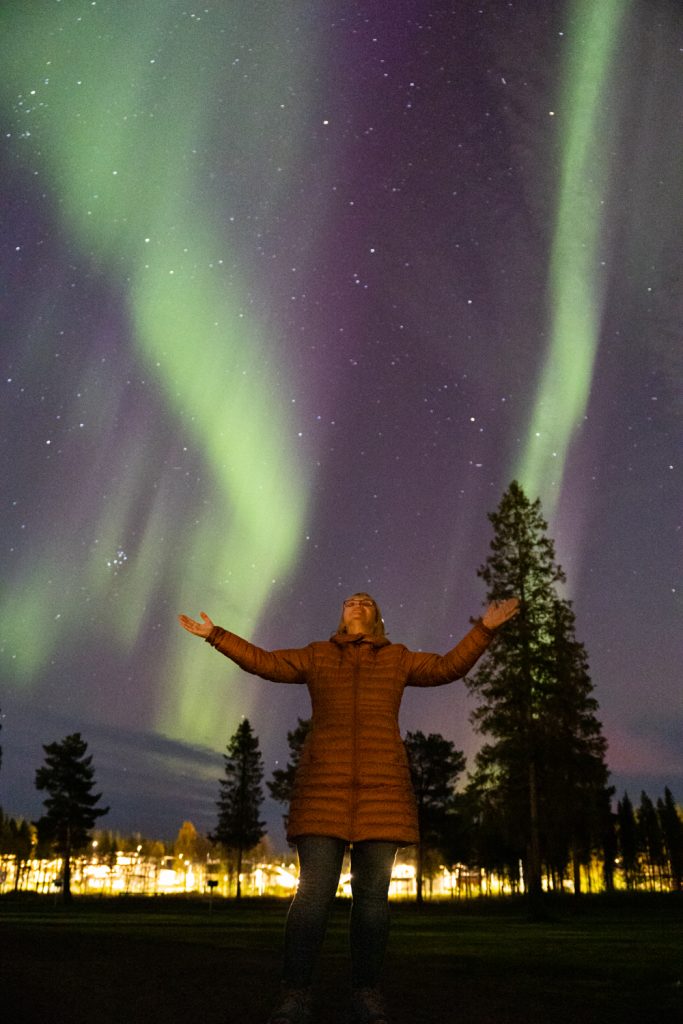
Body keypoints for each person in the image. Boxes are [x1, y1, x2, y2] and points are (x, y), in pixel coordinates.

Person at [178, 592, 518, 1024]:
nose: (356, 604)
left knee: (373, 902)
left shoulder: (398, 658)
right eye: (348, 601)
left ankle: (367, 994)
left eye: (366, 601)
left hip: (383, 792)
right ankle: (295, 995)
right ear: (341, 615)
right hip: (323, 789)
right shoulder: (317, 656)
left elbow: (448, 667)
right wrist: (216, 636)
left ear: (377, 616)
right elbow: (264, 662)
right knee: (312, 897)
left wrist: (484, 629)